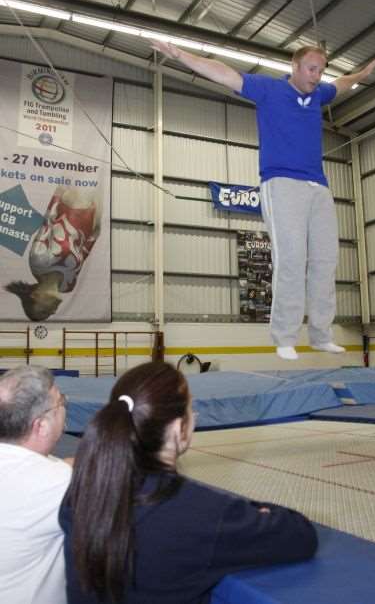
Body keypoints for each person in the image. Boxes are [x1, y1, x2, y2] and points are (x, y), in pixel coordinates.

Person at [151, 40, 375, 360]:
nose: (317, 76)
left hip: (318, 185)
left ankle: (320, 334)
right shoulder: (269, 90)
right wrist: (181, 55)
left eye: (321, 70)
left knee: (326, 260)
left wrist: (359, 73)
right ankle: (285, 335)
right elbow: (224, 73)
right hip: (282, 183)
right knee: (292, 258)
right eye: (312, 69)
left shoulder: (318, 94)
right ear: (295, 67)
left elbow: (340, 85)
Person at [60, 361, 317, 604]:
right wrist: (256, 512)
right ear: (177, 428)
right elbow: (301, 536)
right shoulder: (200, 512)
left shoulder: (79, 495)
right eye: (191, 411)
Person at [0, 365, 71, 604]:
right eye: (61, 403)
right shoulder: (56, 483)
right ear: (41, 426)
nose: (64, 407)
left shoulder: (43, 472)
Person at [5, 185, 101, 321]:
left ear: (35, 296)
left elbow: (48, 221)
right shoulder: (69, 286)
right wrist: (97, 226)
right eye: (49, 314)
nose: (53, 312)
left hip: (74, 201)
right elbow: (84, 251)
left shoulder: (38, 261)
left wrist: (61, 189)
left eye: (44, 311)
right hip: (94, 214)